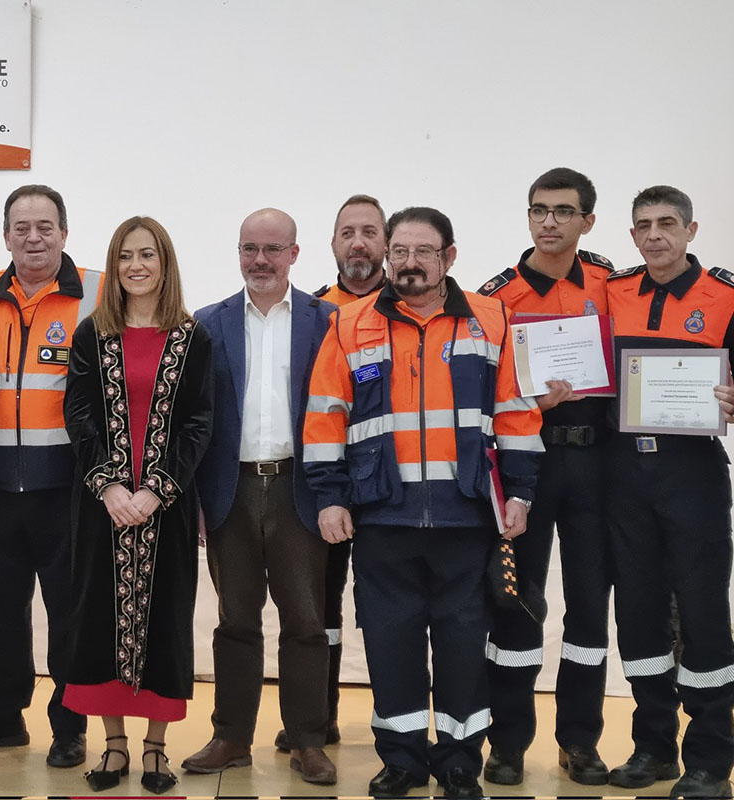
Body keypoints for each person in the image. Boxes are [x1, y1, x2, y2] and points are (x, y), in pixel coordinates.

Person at [304, 206, 543, 799]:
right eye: (400, 252)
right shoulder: (351, 323)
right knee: (391, 641)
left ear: (450, 257)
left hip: (466, 515)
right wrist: (331, 499)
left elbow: (515, 412)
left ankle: (460, 759)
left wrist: (520, 491)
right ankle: (403, 757)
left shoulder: (492, 320)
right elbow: (325, 417)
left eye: (423, 252)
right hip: (382, 513)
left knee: (465, 642)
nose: (409, 264)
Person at [0, 185, 101, 767]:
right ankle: (4, 713)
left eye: (45, 226)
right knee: (0, 605)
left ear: (65, 231)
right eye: (21, 227)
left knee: (69, 607)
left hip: (70, 485)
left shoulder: (101, 292)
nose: (33, 238)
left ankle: (70, 720)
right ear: (5, 233)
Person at [182, 208, 337, 786]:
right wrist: (195, 498)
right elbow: (195, 419)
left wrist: (335, 495)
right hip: (231, 492)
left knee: (305, 621)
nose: (260, 260)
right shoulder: (207, 323)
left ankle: (307, 741)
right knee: (235, 621)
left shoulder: (329, 322)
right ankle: (230, 737)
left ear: (295, 254)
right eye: (250, 248)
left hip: (302, 488)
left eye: (273, 249)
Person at [62, 216, 213, 795]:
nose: (136, 266)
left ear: (165, 263)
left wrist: (155, 489)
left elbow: (200, 422)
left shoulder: (191, 338)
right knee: (97, 617)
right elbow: (77, 414)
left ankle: (155, 747)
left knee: (166, 620)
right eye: (125, 256)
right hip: (101, 506)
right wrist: (110, 486)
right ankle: (114, 745)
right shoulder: (91, 334)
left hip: (166, 507)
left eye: (147, 255)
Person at [475, 167, 613, 786]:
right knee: (515, 604)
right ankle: (506, 744)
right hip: (526, 465)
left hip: (595, 465)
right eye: (538, 210)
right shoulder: (494, 297)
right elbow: (477, 391)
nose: (549, 221)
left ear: (588, 219)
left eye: (563, 211)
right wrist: (533, 404)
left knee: (589, 608)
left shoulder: (613, 283)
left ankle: (579, 742)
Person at [604, 186, 734, 799]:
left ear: (691, 230)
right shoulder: (614, 292)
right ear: (632, 236)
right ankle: (652, 747)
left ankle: (709, 759)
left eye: (666, 224)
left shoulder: (726, 296)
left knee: (704, 615)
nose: (654, 235)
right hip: (625, 476)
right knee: (639, 615)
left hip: (694, 476)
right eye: (643, 226)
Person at [277, 193, 390, 755]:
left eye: (369, 231)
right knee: (320, 604)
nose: (358, 243)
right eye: (348, 232)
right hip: (329, 486)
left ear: (388, 243)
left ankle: (401, 719)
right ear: (332, 244)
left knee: (390, 604)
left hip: (394, 487)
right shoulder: (316, 312)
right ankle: (316, 718)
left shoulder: (412, 307)